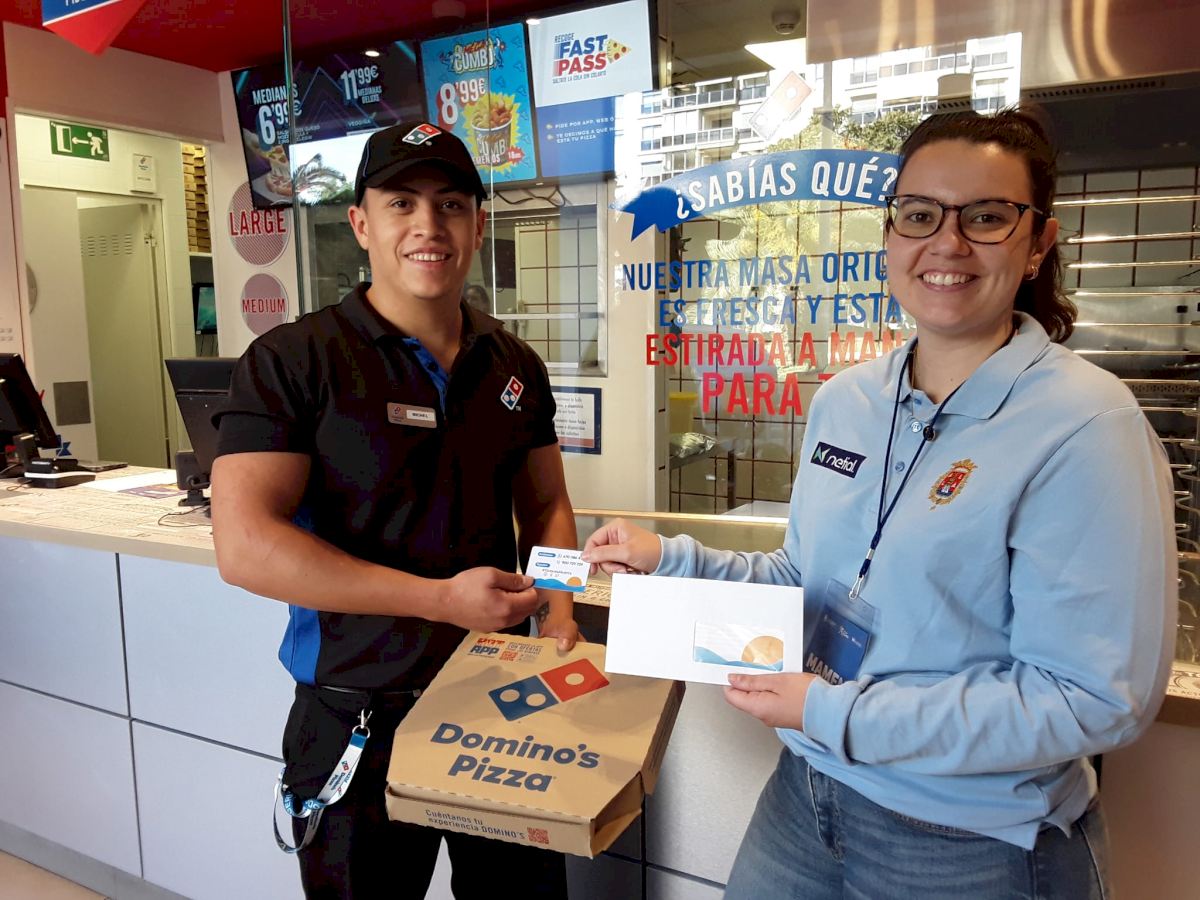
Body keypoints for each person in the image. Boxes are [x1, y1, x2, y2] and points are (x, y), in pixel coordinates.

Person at [584, 108, 1177, 899]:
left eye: (988, 217)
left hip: (968, 841)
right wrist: (672, 560)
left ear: (1039, 242)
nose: (948, 243)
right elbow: (808, 580)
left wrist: (837, 714)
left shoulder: (1086, 425)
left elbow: (1095, 698)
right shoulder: (847, 399)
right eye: (921, 214)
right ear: (892, 233)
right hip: (808, 795)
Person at [211, 120, 578, 900]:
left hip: (498, 707)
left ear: (478, 225)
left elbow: (546, 507)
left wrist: (563, 608)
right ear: (360, 224)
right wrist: (440, 601)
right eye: (401, 202)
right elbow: (244, 546)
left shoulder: (514, 365)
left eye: (450, 204)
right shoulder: (291, 361)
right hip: (356, 715)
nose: (427, 226)